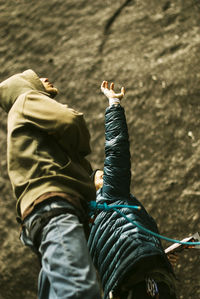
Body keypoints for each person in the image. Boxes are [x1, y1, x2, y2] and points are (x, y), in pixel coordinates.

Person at [0, 69, 102, 299]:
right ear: (24, 85)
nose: (45, 79)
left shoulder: (22, 118)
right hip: (55, 209)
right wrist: (80, 151)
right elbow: (70, 121)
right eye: (36, 78)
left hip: (42, 215)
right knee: (80, 292)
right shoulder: (27, 98)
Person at [88, 81, 177, 299]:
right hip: (142, 274)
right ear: (95, 189)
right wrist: (114, 103)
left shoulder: (84, 228)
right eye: (101, 176)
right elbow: (116, 149)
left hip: (119, 287)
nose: (105, 174)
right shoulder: (110, 195)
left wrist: (159, 255)